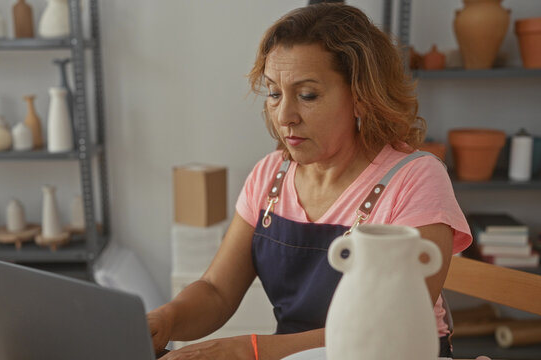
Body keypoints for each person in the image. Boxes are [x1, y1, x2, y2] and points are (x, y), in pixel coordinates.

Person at [147, 3, 472, 359]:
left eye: (307, 95)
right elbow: (216, 290)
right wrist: (166, 318)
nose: (285, 116)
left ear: (361, 97)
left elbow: (386, 329)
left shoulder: (416, 178)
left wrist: (250, 351)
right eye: (273, 93)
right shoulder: (270, 175)